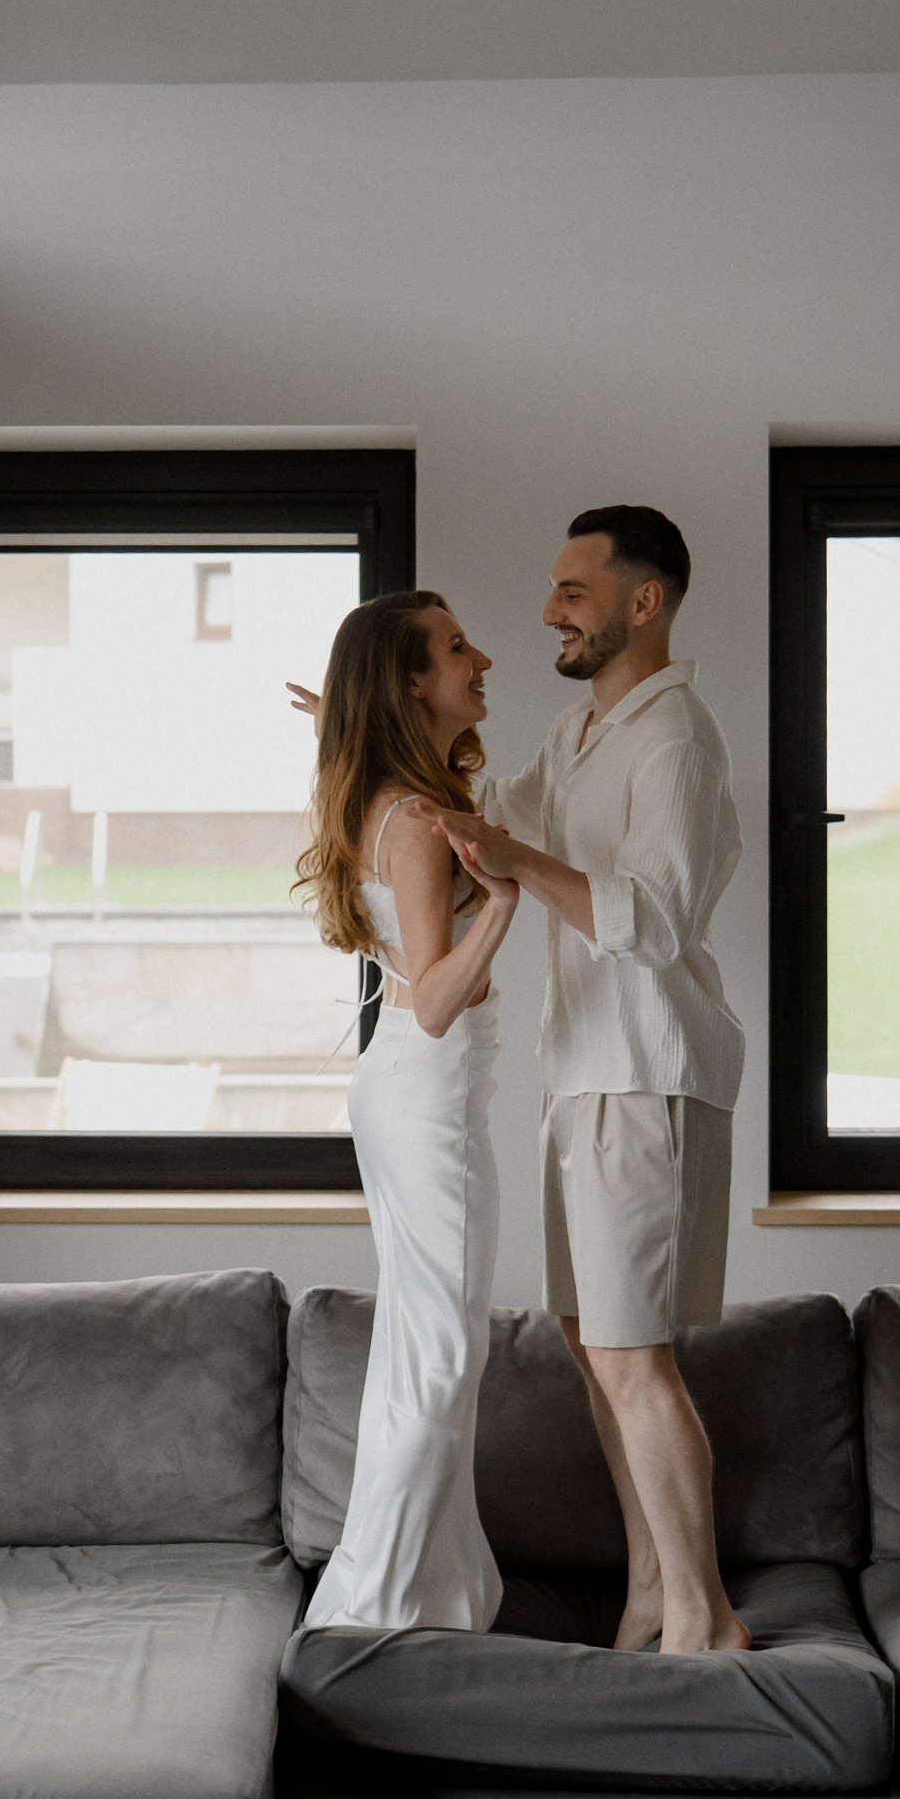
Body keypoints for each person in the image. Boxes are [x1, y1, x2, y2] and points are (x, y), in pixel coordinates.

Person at [437, 507, 748, 1657]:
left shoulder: (677, 741)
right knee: (588, 1342)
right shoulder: (579, 732)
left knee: (629, 1353)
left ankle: (706, 1617)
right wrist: (367, 742)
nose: (549, 610)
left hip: (644, 1074)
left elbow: (658, 921)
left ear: (642, 602)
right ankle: (651, 1593)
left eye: (574, 591)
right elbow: (486, 826)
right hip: (581, 1073)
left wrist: (522, 860)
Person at [294, 591, 519, 1632]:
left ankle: (433, 1597)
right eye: (457, 647)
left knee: (420, 1354)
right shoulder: (420, 827)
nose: (483, 660)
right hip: (427, 1097)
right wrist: (503, 907)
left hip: (398, 1091)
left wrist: (336, 717)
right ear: (412, 683)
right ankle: (373, 1614)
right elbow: (433, 1001)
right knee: (439, 1358)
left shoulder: (391, 799)